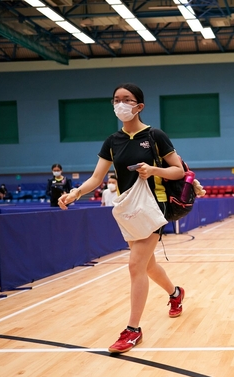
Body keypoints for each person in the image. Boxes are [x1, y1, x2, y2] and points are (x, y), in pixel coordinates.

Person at [58, 83, 188, 354]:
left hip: (155, 205)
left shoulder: (155, 136)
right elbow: (96, 178)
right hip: (130, 208)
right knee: (147, 266)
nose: (121, 104)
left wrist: (153, 169)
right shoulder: (112, 141)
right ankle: (175, 293)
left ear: (139, 106)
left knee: (134, 265)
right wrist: (75, 193)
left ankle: (133, 330)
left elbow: (178, 171)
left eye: (127, 100)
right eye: (117, 99)